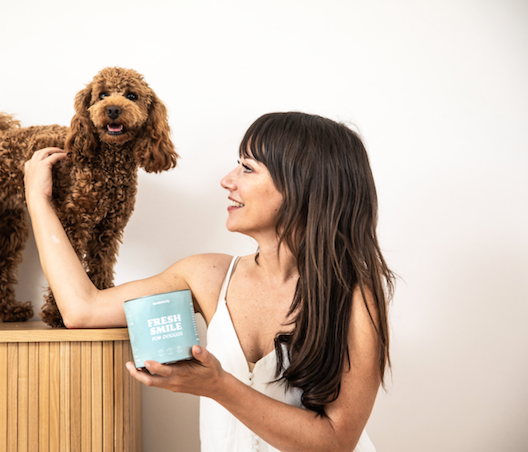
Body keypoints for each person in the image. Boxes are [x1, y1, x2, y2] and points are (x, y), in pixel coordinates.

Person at [24, 111, 395, 452]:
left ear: (302, 186)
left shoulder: (356, 297)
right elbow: (81, 309)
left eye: (247, 169)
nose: (227, 180)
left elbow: (336, 441)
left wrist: (218, 386)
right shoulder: (209, 276)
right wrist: (38, 200)